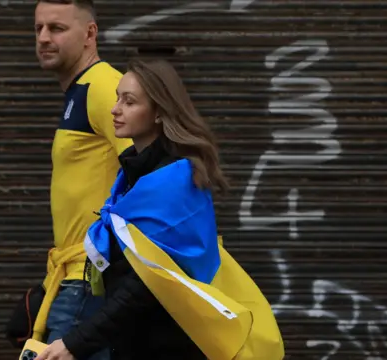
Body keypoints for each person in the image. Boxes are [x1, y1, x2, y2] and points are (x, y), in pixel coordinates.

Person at [36, 58, 285, 360]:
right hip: (134, 340)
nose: (115, 109)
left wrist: (76, 343)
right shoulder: (132, 174)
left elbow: (145, 284)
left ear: (158, 112)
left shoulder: (172, 182)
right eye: (117, 98)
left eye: (129, 102)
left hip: (169, 343)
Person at [30, 0, 132, 358]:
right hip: (72, 275)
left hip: (89, 277)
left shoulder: (104, 86)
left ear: (90, 33)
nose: (44, 38)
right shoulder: (79, 89)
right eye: (39, 28)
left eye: (57, 28)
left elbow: (147, 169)